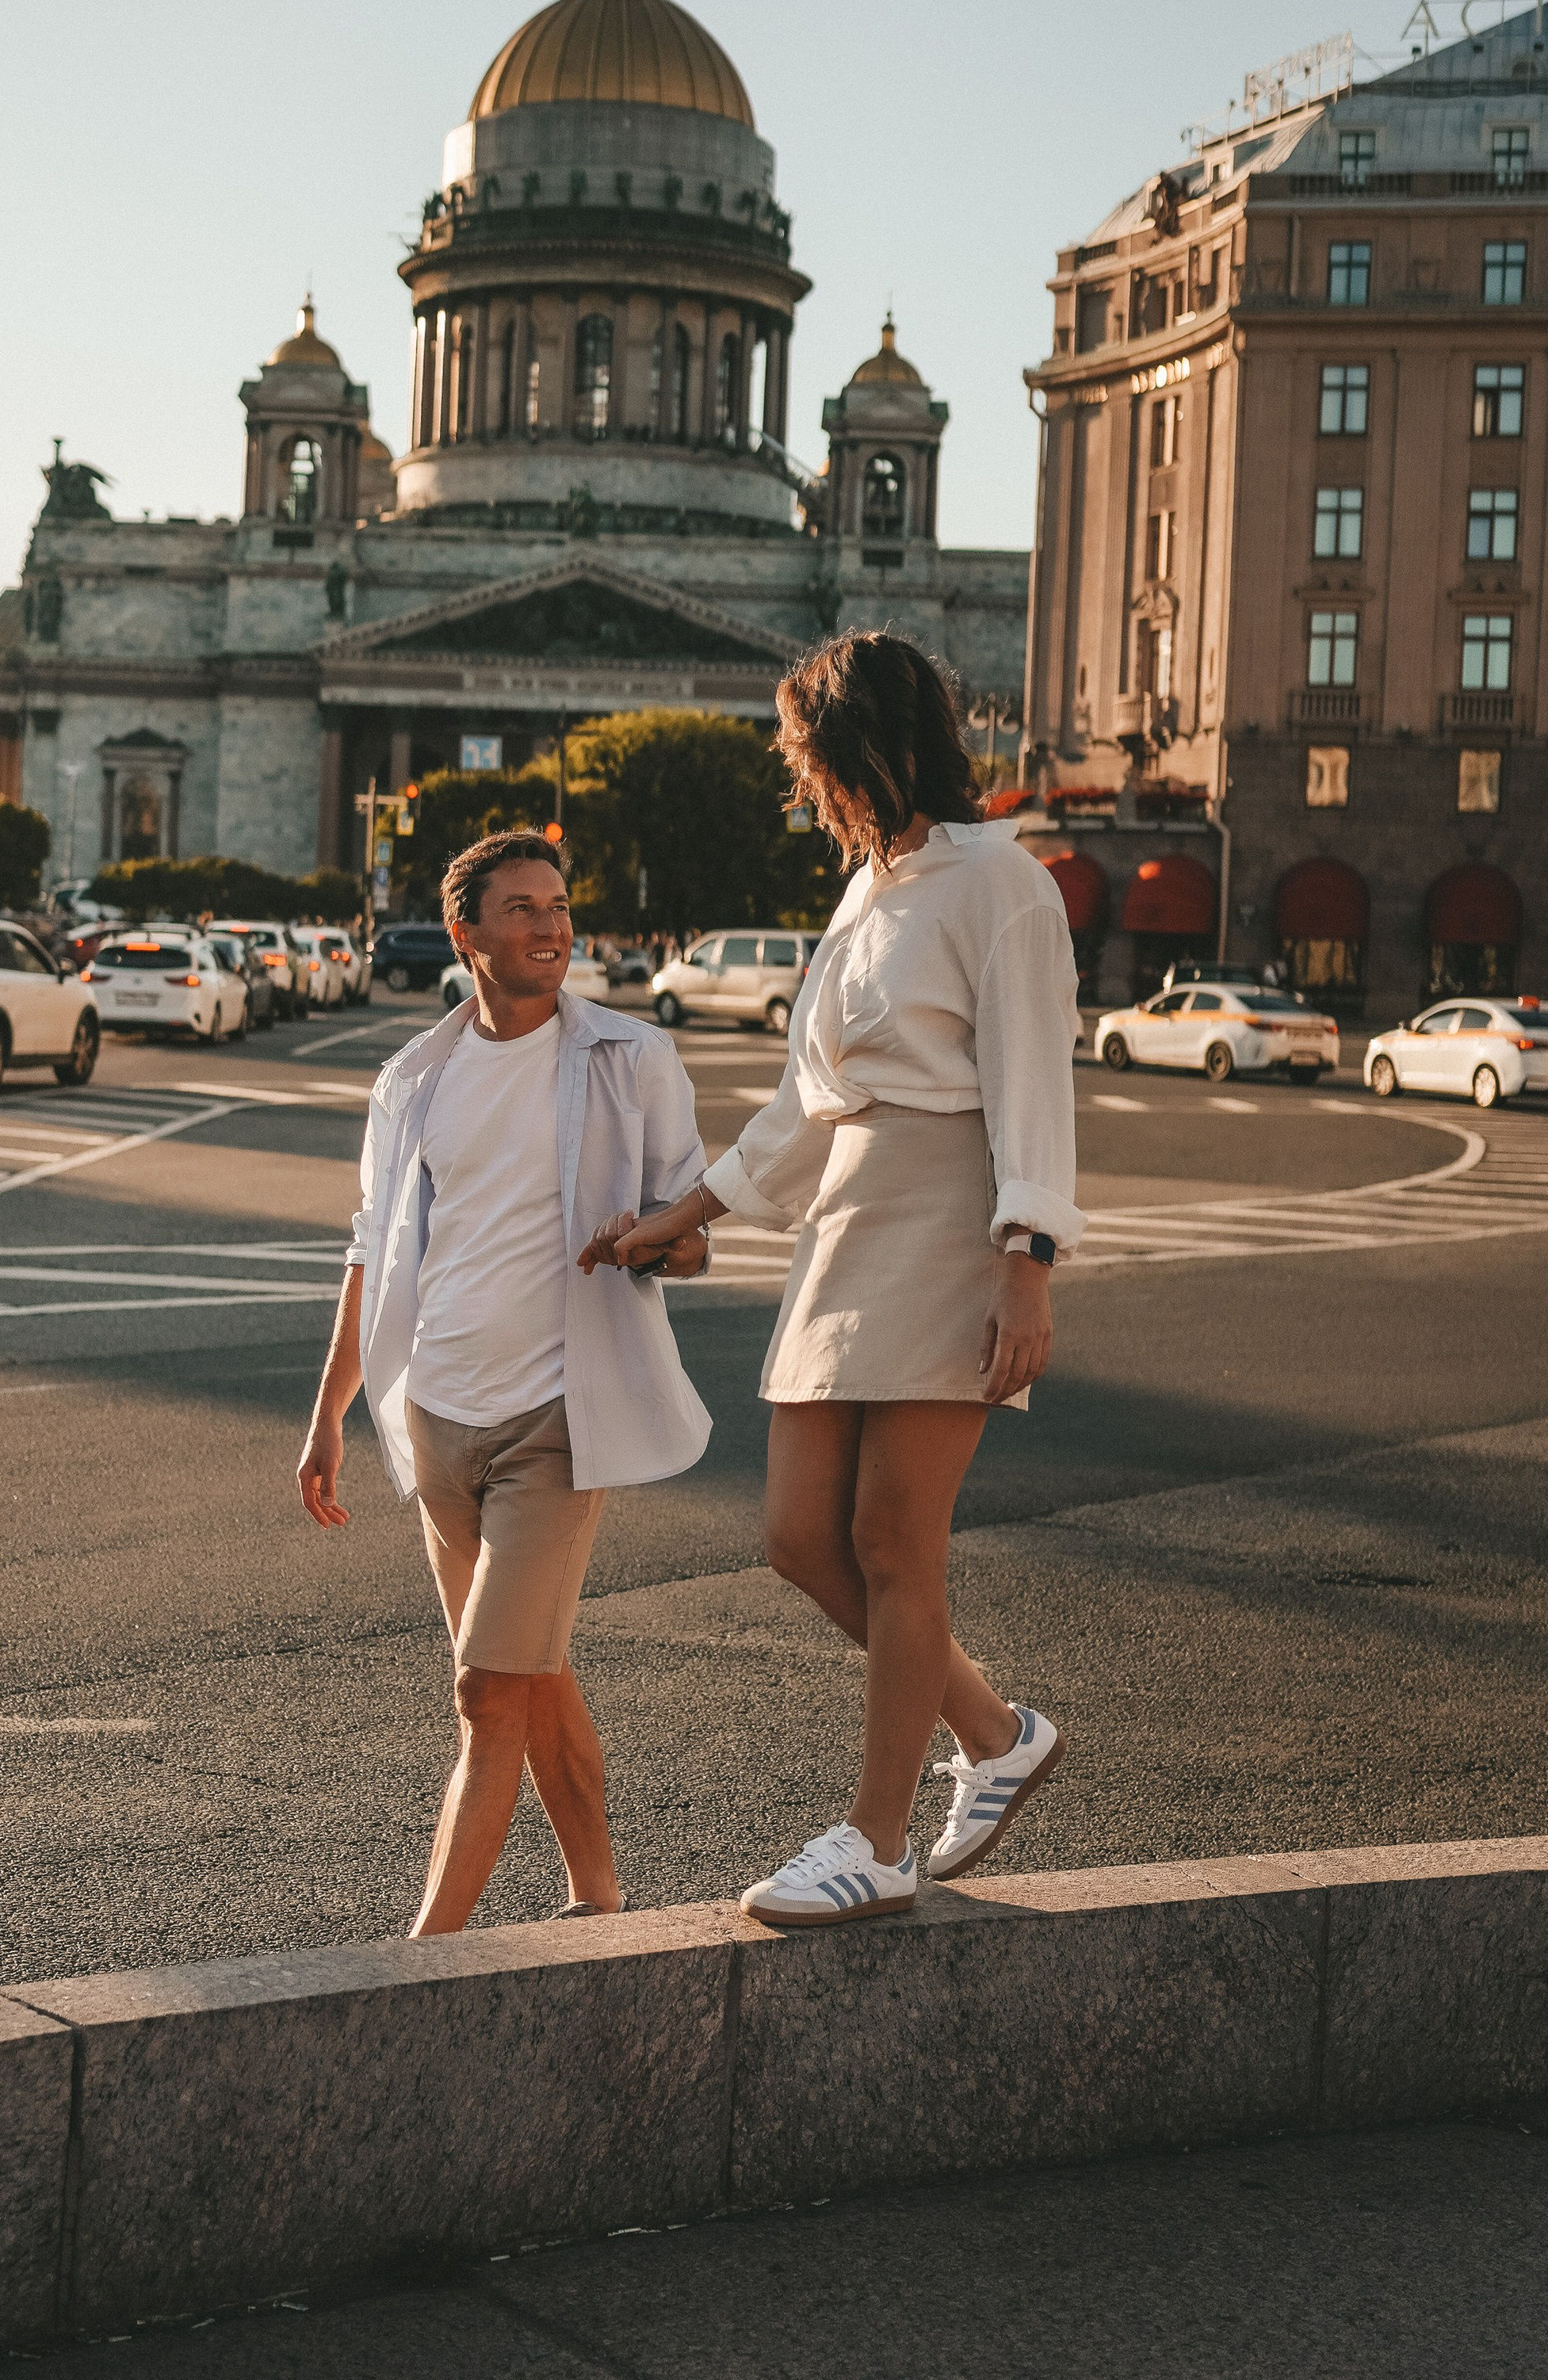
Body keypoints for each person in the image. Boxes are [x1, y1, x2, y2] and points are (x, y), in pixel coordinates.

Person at [584, 630, 1084, 1928]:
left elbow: (1035, 1079)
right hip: (849, 1219)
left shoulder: (999, 880)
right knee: (800, 1538)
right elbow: (810, 1102)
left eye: (815, 761)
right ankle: (997, 1731)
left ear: (873, 745)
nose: (807, 789)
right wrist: (680, 1214)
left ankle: (876, 1839)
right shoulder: (870, 887)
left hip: (948, 1214)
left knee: (892, 1541)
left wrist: (1026, 1265)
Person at [296, 827, 714, 1936]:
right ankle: (598, 1897)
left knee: (486, 1690)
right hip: (435, 1419)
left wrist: (653, 1238)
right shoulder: (415, 1079)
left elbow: (696, 1232)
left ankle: (423, 1959)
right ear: (465, 934)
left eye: (560, 906)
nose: (550, 927)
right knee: (530, 1669)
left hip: (556, 1423)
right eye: (522, 909)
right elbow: (372, 1249)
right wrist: (329, 1415)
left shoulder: (631, 1057)